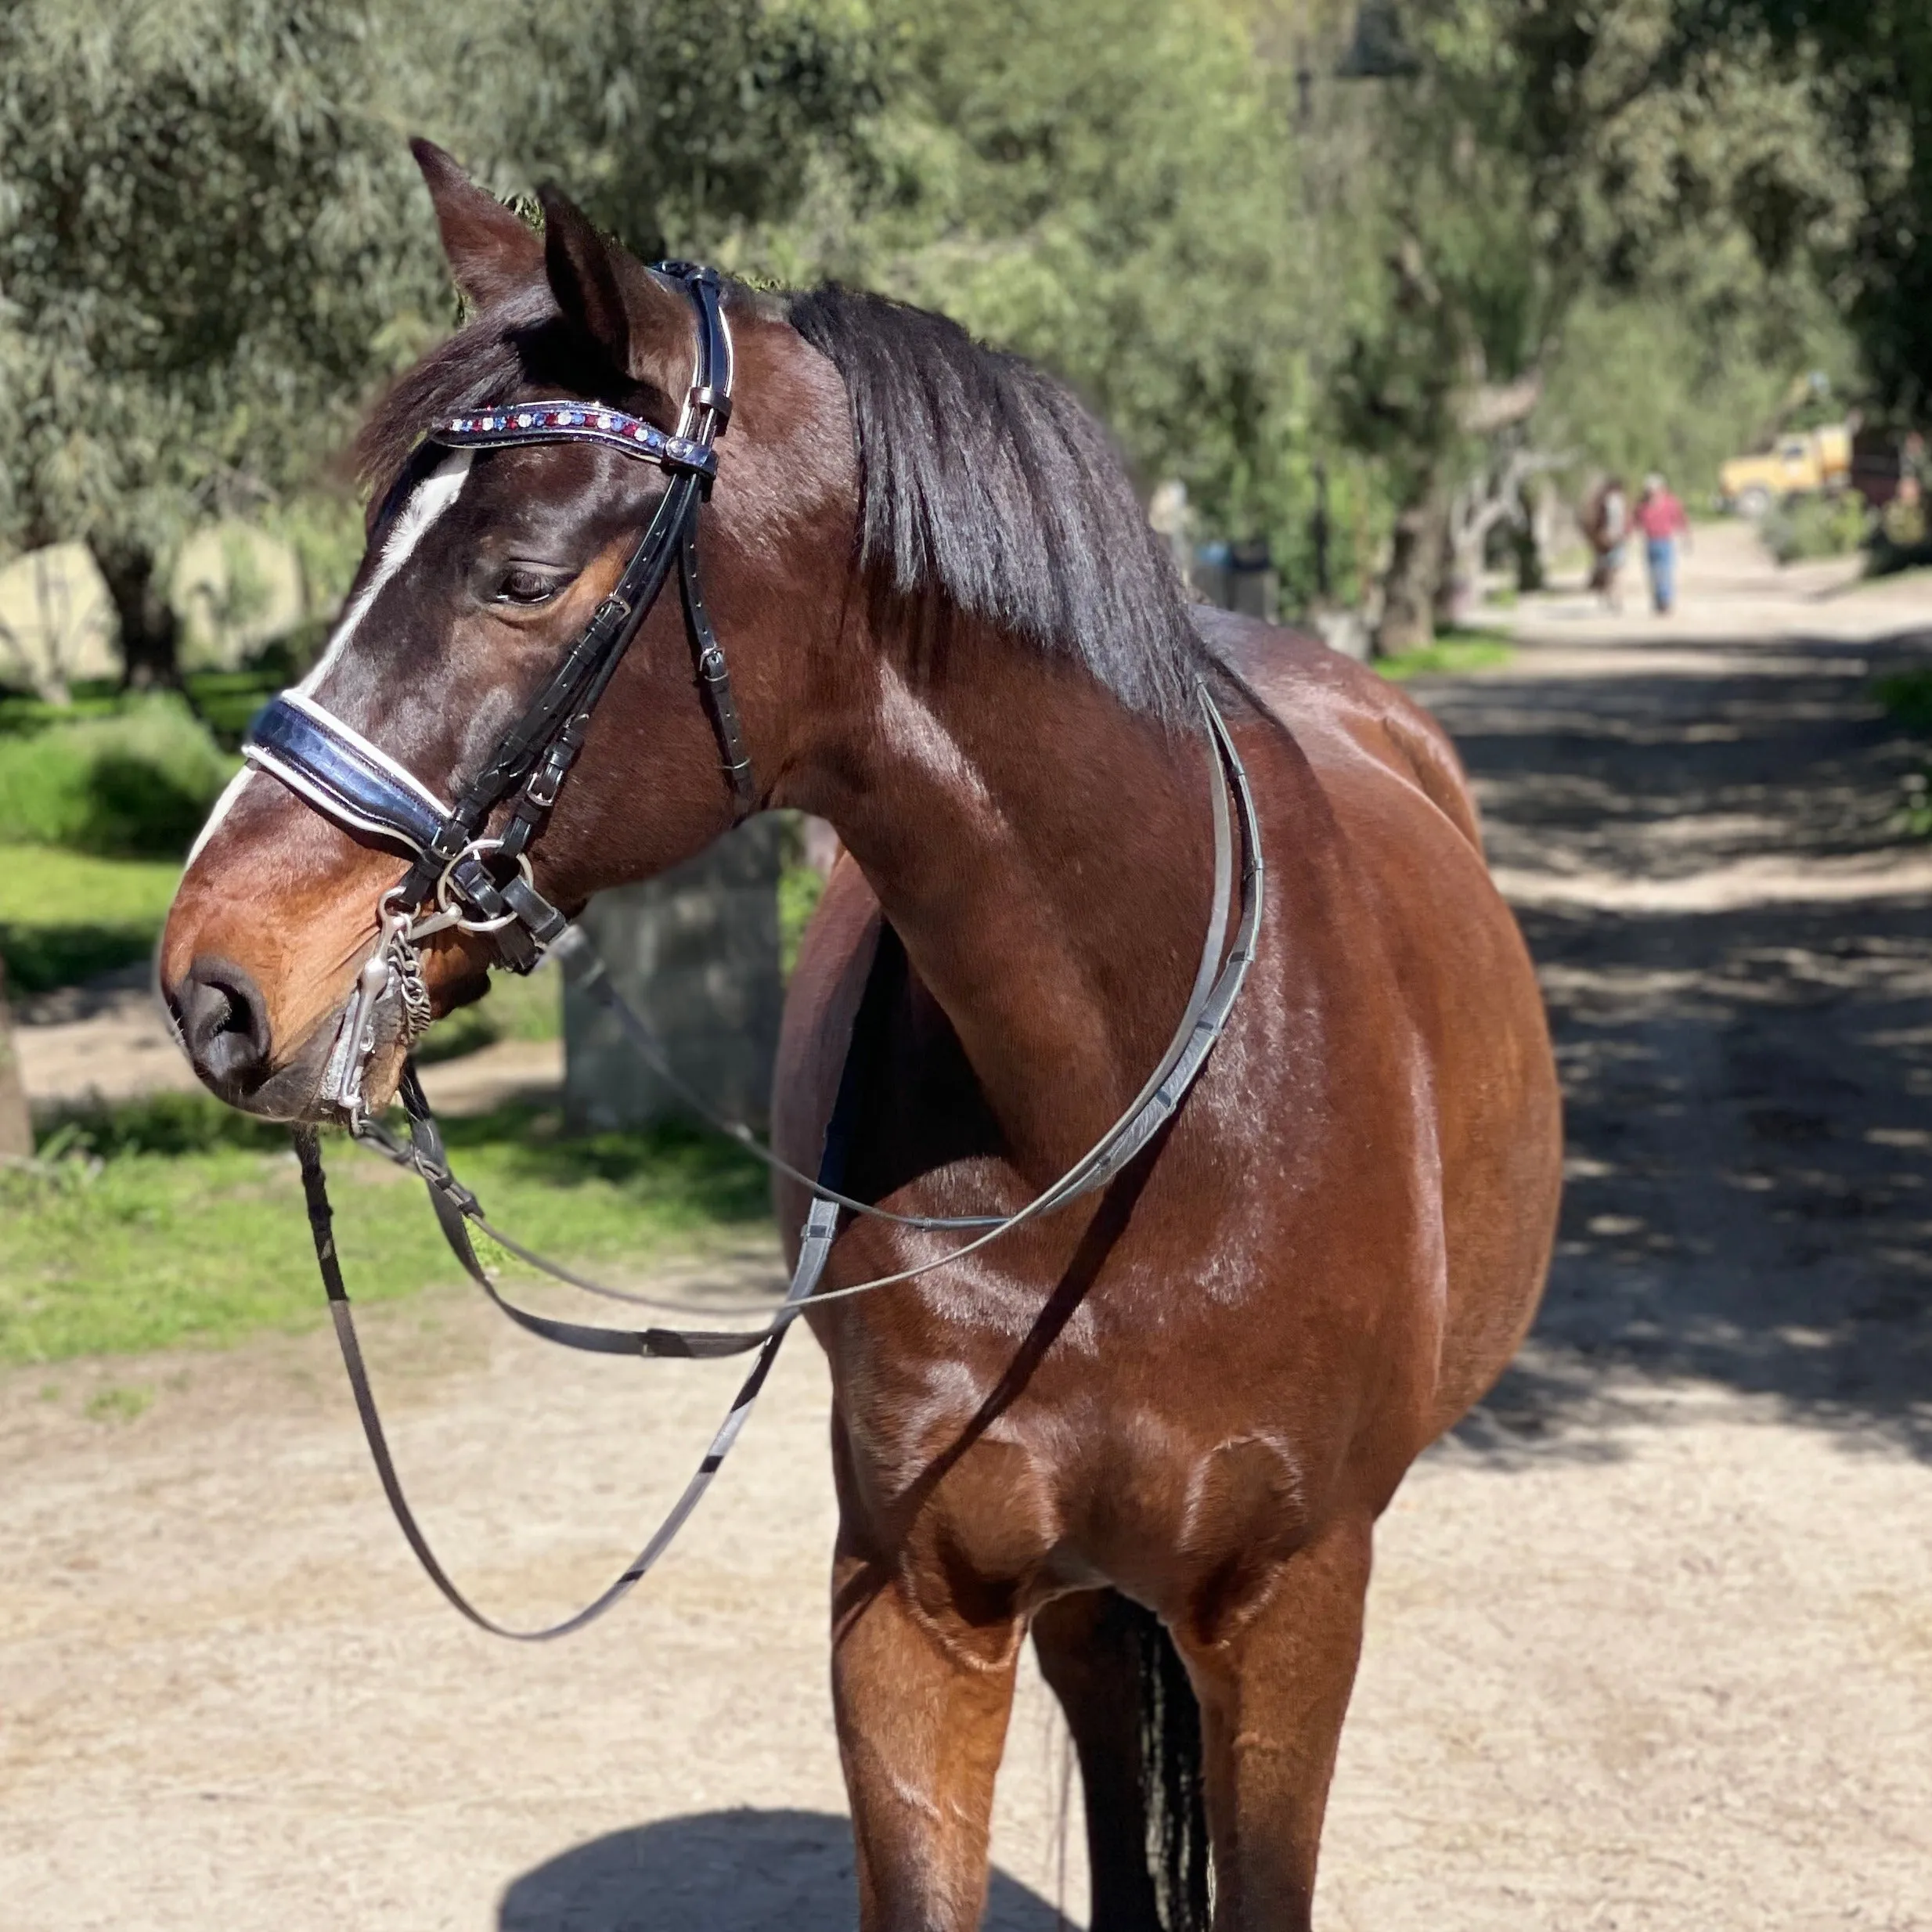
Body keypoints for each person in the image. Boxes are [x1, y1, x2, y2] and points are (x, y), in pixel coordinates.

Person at [1635, 471, 1690, 615]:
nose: (1651, 492)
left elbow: (1681, 519)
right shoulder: (1643, 505)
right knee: (1653, 573)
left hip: (1665, 542)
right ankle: (1657, 600)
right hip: (1650, 543)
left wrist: (1685, 537)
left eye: (1654, 489)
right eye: (1649, 489)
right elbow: (1635, 521)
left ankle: (1665, 601)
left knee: (1665, 572)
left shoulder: (1670, 503)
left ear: (1661, 488)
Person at [1587, 476, 1629, 611]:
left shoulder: (1603, 501)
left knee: (1612, 569)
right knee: (1615, 569)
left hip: (1608, 539)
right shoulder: (1617, 501)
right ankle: (1615, 597)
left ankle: (1613, 597)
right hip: (1611, 539)